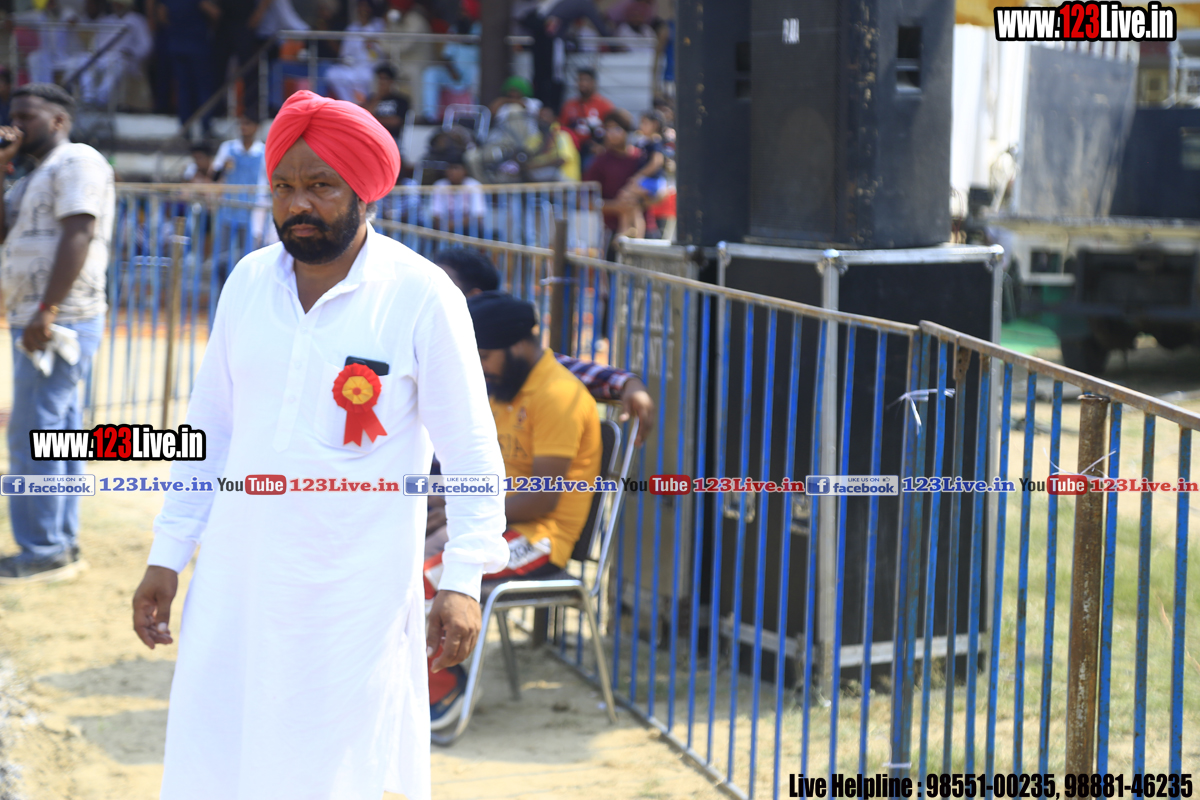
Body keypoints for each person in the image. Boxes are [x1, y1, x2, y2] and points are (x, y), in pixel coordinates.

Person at [130, 90, 509, 800]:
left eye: (321, 186)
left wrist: (462, 579)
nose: (298, 204)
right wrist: (168, 553)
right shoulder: (248, 281)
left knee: (334, 764)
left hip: (352, 586)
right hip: (239, 576)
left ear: (365, 191)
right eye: (283, 187)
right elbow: (210, 430)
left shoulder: (421, 294)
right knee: (223, 750)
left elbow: (470, 451)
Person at [423, 290, 600, 728]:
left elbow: (542, 497)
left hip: (540, 537)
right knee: (396, 552)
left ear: (519, 345)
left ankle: (444, 693)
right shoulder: (506, 387)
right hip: (502, 521)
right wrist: (443, 499)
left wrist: (461, 508)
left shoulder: (557, 394)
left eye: (485, 356)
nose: (481, 366)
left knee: (426, 576)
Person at [0, 85, 115, 583]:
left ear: (59, 120)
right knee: (57, 434)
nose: (16, 125)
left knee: (35, 432)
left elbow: (79, 232)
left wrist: (47, 309)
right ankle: (59, 544)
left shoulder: (77, 160)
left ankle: (44, 549)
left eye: (28, 116)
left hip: (57, 318)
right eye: (12, 116)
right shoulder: (32, 175)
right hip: (38, 317)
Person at [430, 246, 655, 442]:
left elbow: (550, 370)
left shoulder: (507, 360)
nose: (427, 297)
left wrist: (628, 383)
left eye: (438, 289)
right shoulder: (432, 347)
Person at [583, 110, 644, 240]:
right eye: (608, 129)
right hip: (612, 232)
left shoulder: (642, 158)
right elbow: (585, 200)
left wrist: (639, 200)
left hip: (646, 229)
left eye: (616, 129)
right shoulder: (600, 161)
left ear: (627, 131)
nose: (611, 134)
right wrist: (615, 206)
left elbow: (660, 193)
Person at [212, 114, 269, 251]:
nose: (243, 127)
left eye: (247, 124)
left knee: (249, 249)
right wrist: (223, 167)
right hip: (229, 204)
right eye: (241, 124)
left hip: (254, 206)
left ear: (257, 127)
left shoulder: (264, 151)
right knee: (223, 249)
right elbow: (214, 175)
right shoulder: (228, 148)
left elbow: (268, 178)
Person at [81, 0, 153, 108]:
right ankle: (88, 96)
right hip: (103, 58)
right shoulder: (106, 20)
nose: (116, 6)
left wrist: (131, 52)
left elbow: (146, 45)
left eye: (119, 3)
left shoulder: (137, 20)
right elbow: (96, 43)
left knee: (114, 65)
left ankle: (102, 99)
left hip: (126, 59)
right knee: (84, 60)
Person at [161, 0, 219, 133]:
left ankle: (185, 127)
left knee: (183, 88)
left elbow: (162, 15)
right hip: (197, 46)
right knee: (203, 88)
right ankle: (205, 126)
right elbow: (215, 13)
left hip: (177, 45)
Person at [211, 0, 273, 118]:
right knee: (217, 69)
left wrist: (258, 14)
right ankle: (218, 111)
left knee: (249, 69)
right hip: (224, 21)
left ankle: (250, 112)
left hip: (245, 20)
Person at [420, 15, 479, 123]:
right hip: (454, 74)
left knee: (477, 72)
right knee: (431, 73)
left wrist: (465, 38)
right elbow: (446, 56)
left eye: (466, 11)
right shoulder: (455, 28)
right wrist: (452, 71)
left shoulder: (480, 27)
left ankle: (474, 116)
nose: (463, 13)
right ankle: (430, 116)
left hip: (471, 74)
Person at [325, 0, 385, 103]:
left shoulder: (379, 25)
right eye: (361, 7)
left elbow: (384, 48)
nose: (363, 10)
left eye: (366, 7)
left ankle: (363, 105)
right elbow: (344, 53)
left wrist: (373, 43)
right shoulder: (352, 28)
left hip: (371, 67)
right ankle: (349, 103)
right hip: (353, 66)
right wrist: (347, 61)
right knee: (332, 74)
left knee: (365, 77)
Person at [558, 67, 613, 159]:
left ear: (594, 83)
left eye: (586, 80)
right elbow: (562, 129)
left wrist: (602, 147)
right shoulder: (569, 105)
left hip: (593, 152)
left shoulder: (605, 105)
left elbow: (612, 130)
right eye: (580, 80)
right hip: (571, 151)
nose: (582, 83)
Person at [429, 156, 487, 233]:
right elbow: (435, 213)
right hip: (445, 227)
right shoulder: (439, 185)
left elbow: (478, 215)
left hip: (469, 228)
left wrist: (455, 225)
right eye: (449, 168)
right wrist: (445, 226)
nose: (451, 171)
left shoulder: (474, 185)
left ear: (465, 170)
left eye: (455, 168)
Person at [526, 105, 579, 182]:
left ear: (554, 119)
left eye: (546, 116)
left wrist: (534, 167)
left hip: (566, 179)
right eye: (539, 117)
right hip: (546, 179)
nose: (542, 119)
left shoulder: (561, 135)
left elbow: (562, 159)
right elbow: (527, 158)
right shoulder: (535, 138)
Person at [366, 62, 411, 142]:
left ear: (391, 81)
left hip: (392, 138)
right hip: (373, 136)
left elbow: (396, 122)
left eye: (384, 79)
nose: (381, 82)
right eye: (379, 79)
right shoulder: (372, 99)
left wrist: (374, 120)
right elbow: (366, 117)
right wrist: (378, 97)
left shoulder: (401, 100)